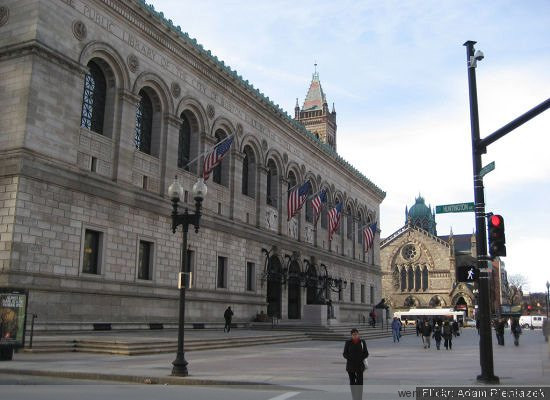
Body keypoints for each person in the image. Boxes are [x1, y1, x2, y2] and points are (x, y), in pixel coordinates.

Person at [343, 328, 369, 400]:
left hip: (360, 365)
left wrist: (360, 358)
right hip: (350, 366)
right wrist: (350, 358)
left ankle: (359, 397)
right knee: (352, 382)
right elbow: (344, 354)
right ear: (351, 335)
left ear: (358, 334)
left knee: (359, 382)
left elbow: (366, 353)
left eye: (356, 334)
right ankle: (354, 397)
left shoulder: (362, 342)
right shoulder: (348, 342)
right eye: (353, 335)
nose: (355, 336)